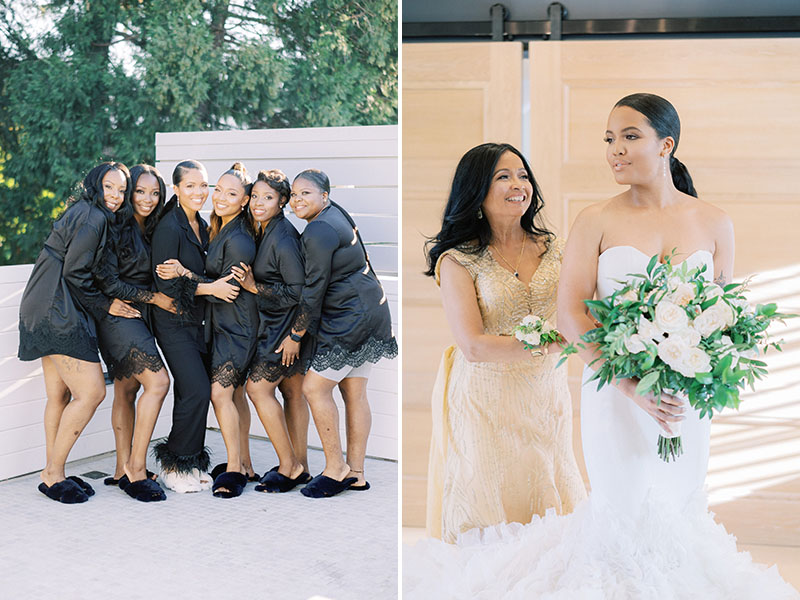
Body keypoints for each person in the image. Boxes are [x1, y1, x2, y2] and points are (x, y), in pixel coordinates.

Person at [404, 95, 799, 599]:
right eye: (609, 139)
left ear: (666, 146)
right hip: (614, 389)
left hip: (686, 395)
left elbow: (720, 312)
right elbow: (572, 314)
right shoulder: (595, 220)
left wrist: (698, 372)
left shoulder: (716, 221)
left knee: (680, 507)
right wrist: (633, 385)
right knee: (622, 507)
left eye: (630, 137)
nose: (615, 149)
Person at [422, 142, 586, 542]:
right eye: (503, 176)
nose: (519, 184)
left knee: (551, 494)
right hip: (484, 400)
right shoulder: (459, 258)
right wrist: (550, 344)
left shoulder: (558, 248)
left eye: (523, 175)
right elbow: (474, 347)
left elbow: (584, 307)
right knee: (488, 502)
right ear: (476, 190)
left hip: (545, 397)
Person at [18, 162, 140, 503]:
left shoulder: (83, 210)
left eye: (121, 190)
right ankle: (53, 473)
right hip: (59, 308)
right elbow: (76, 273)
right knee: (92, 392)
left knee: (58, 396)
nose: (115, 196)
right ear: (95, 185)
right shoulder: (94, 217)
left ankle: (52, 472)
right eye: (109, 187)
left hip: (41, 303)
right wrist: (108, 305)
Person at [289, 169, 397, 498]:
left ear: (324, 195)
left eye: (305, 193)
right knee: (354, 392)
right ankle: (358, 473)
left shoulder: (318, 230)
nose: (297, 200)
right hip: (373, 310)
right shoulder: (337, 213)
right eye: (293, 195)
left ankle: (335, 469)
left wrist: (295, 335)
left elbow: (313, 291)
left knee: (314, 388)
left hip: (350, 317)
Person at [158, 163, 259, 498]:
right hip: (173, 321)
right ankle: (174, 467)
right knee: (199, 390)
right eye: (191, 186)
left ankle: (189, 464)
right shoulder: (169, 226)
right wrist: (203, 286)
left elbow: (221, 286)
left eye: (204, 185)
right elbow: (165, 284)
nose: (201, 193)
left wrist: (189, 276)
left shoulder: (203, 225)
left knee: (197, 393)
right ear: (175, 189)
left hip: (202, 324)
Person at [94, 164, 174, 502]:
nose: (148, 199)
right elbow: (107, 280)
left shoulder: (153, 226)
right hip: (119, 314)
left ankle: (119, 468)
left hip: (142, 315)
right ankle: (135, 469)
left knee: (126, 390)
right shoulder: (117, 225)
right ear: (129, 193)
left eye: (155, 192)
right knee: (158, 383)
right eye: (140, 191)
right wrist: (153, 297)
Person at [231, 169, 311, 493]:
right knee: (291, 393)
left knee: (257, 390)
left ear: (282, 202)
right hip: (277, 326)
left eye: (269, 197)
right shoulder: (265, 230)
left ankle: (288, 465)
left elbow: (298, 292)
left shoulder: (283, 237)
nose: (259, 203)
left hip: (283, 330)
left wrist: (253, 287)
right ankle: (300, 465)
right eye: (256, 196)